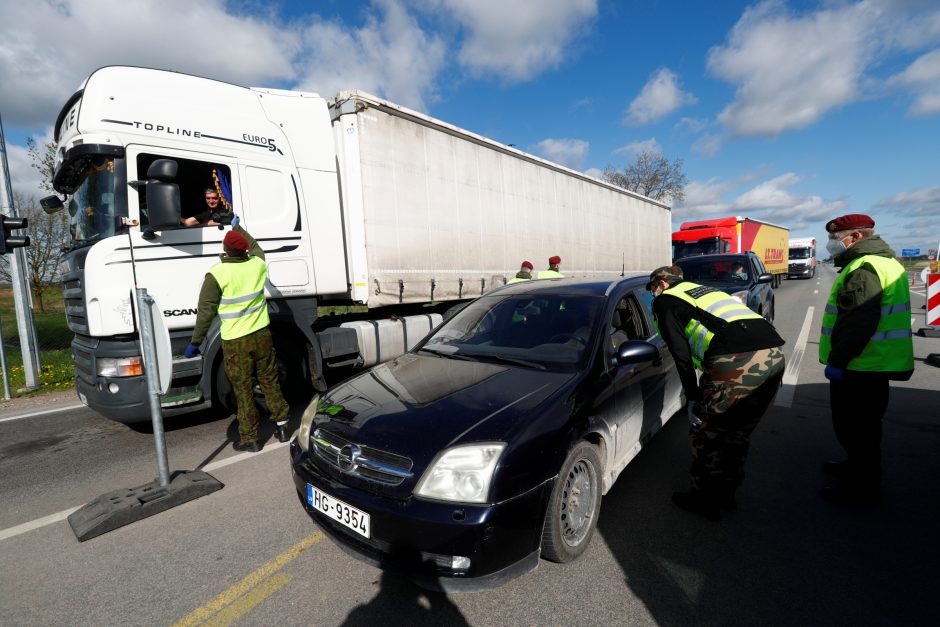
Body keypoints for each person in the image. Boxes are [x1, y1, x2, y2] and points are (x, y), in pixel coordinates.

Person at [648, 265, 785, 520]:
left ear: (664, 282)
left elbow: (681, 355)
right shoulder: (705, 291)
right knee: (737, 432)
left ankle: (704, 500)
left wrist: (692, 397)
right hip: (774, 355)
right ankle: (726, 494)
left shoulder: (666, 301)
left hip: (738, 361)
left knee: (708, 433)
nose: (653, 292)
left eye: (653, 287)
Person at [819, 213, 914, 505]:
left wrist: (838, 360)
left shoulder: (865, 267)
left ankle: (861, 490)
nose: (831, 245)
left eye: (835, 239)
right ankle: (856, 470)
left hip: (861, 366)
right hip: (872, 364)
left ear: (856, 237)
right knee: (864, 430)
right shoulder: (884, 263)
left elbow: (858, 321)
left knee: (857, 430)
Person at [184, 217, 290, 451]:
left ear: (225, 249)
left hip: (236, 341)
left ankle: (251, 439)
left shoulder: (217, 275)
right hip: (261, 335)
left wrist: (196, 342)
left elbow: (205, 313)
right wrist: (239, 229)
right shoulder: (257, 265)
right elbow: (256, 248)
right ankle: (282, 426)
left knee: (242, 390)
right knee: (270, 381)